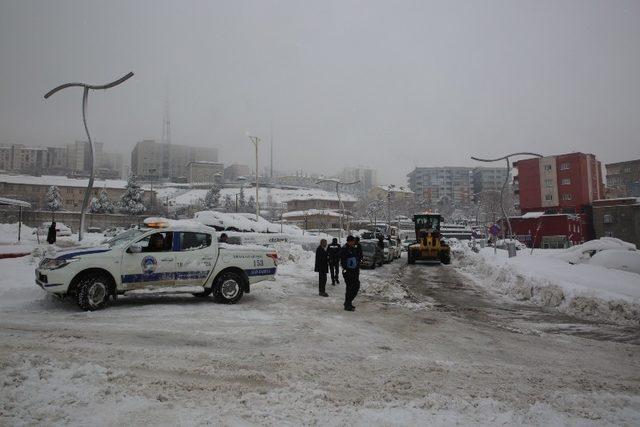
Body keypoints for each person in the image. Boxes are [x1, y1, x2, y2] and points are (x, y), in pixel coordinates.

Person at [340, 235, 360, 311]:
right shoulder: (344, 249)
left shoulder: (353, 248)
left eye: (354, 241)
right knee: (350, 288)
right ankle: (347, 304)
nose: (354, 242)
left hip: (354, 271)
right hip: (348, 272)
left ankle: (348, 302)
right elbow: (343, 261)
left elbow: (356, 258)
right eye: (352, 241)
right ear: (349, 241)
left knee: (356, 286)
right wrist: (346, 271)